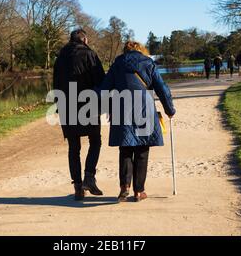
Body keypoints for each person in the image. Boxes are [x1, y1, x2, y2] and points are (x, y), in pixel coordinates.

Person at [98, 41, 176, 202]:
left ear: (125, 51)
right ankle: (139, 191)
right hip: (144, 107)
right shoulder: (149, 63)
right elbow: (162, 88)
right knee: (142, 149)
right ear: (141, 50)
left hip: (122, 108)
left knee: (125, 148)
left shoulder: (117, 64)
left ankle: (124, 187)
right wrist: (169, 109)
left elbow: (104, 89)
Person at [53, 29, 106, 201]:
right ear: (84, 39)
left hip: (66, 106)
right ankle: (89, 176)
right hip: (87, 105)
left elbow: (55, 83)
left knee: (73, 148)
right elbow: (101, 80)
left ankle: (77, 186)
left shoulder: (60, 57)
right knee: (95, 141)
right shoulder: (89, 54)